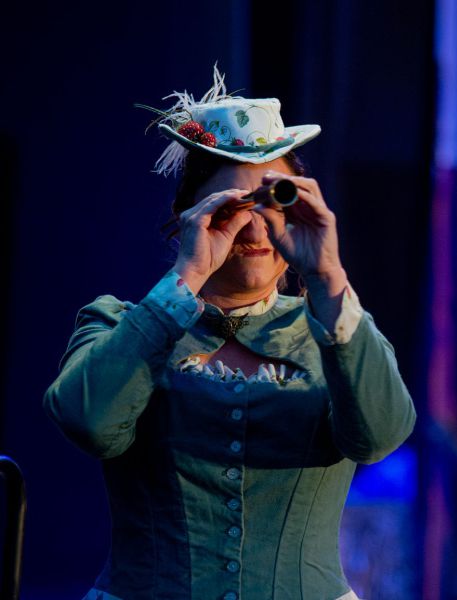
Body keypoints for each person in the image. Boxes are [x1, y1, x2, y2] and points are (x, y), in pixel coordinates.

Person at [44, 68, 416, 600]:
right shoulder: (117, 324)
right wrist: (188, 276)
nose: (257, 225)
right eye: (232, 207)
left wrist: (328, 276)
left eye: (276, 201)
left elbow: (380, 436)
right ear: (187, 216)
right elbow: (90, 424)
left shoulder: (336, 330)